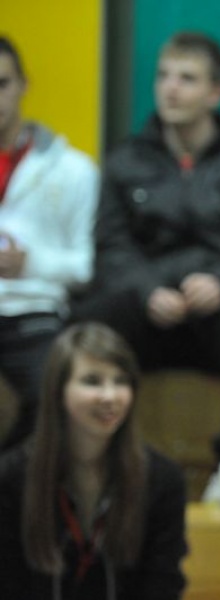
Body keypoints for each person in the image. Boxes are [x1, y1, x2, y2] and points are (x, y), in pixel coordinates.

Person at [70, 32, 220, 505]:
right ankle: (91, 464)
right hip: (146, 313)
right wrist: (147, 289)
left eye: (187, 79)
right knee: (83, 325)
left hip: (219, 312)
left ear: (215, 92)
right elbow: (110, 249)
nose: (171, 88)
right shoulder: (125, 160)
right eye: (164, 76)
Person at [0, 322, 188, 598]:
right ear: (58, 390)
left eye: (121, 381)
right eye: (92, 381)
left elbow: (162, 585)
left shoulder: (163, 479)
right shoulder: (10, 477)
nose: (110, 396)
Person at [0, 36, 99, 452]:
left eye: (1, 83)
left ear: (24, 84)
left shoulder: (73, 169)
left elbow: (87, 265)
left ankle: (11, 486)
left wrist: (31, 264)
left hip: (35, 313)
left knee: (56, 390)